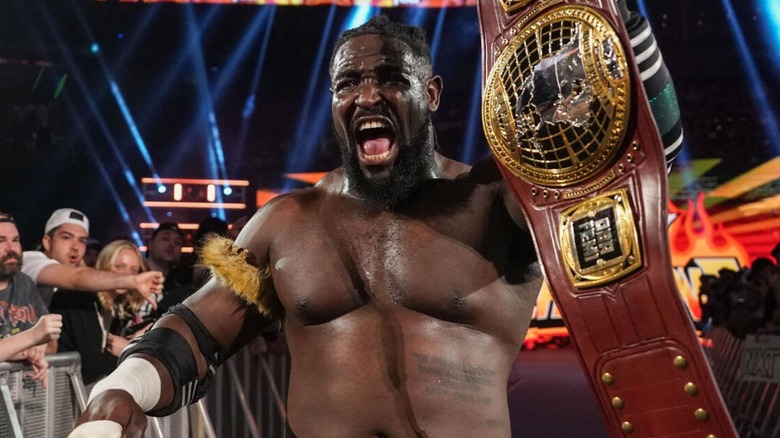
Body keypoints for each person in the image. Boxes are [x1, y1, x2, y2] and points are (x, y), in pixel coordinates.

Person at [72, 8, 681, 437]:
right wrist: (123, 391)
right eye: (349, 83)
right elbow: (193, 335)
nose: (367, 96)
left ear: (433, 93)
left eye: (391, 78)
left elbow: (635, 157)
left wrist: (618, 19)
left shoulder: (496, 203)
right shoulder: (285, 225)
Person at [50, 240, 150, 387]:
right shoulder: (79, 298)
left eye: (133, 271)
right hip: (59, 392)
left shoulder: (118, 304)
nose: (126, 276)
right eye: (119, 267)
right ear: (103, 264)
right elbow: (91, 367)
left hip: (83, 394)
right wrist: (131, 349)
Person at [21, 208, 164, 309]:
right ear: (47, 242)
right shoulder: (30, 261)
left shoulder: (80, 276)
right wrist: (133, 280)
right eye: (66, 237)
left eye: (82, 240)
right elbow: (75, 277)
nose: (75, 247)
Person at [0, 212, 62, 386]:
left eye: (16, 240)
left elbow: (51, 345)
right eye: (1, 240)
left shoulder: (23, 282)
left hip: (17, 402)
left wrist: (37, 347)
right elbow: (36, 336)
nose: (11, 248)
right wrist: (32, 339)